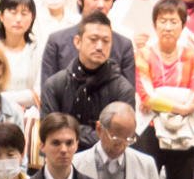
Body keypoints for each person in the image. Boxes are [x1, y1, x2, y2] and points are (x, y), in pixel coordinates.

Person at [42, 12, 134, 142]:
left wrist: (72, 129)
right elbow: (51, 134)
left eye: (106, 41)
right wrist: (98, 135)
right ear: (78, 42)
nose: (99, 47)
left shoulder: (123, 90)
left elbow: (120, 138)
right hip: (64, 158)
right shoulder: (55, 85)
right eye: (93, 39)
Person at [39, 0, 137, 88]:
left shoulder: (123, 45)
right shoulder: (57, 41)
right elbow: (47, 91)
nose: (101, 4)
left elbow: (127, 94)